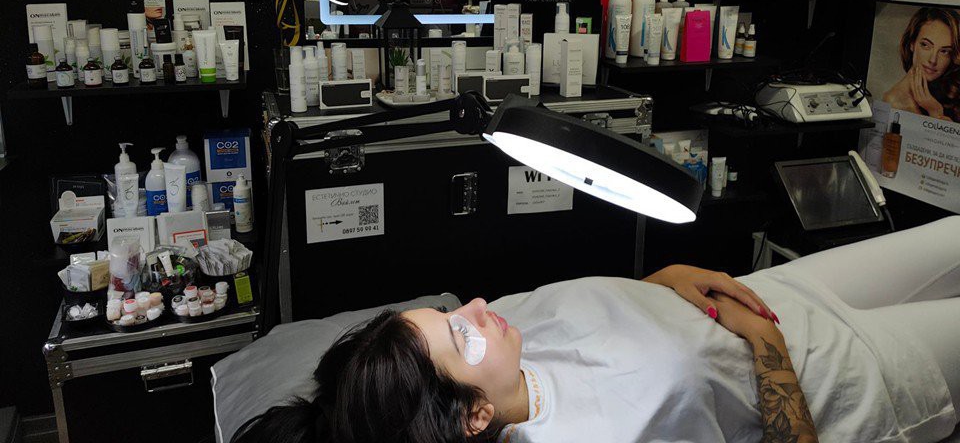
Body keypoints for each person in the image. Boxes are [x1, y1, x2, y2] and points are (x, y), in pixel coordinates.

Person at [232, 218, 960, 443]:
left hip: (769, 293)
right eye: (461, 335)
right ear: (474, 415)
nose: (477, 307)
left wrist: (665, 278)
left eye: (450, 313)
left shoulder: (506, 339)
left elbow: (607, 319)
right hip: (847, 370)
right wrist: (765, 345)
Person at [882, 7, 960, 122]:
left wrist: (934, 110)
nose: (933, 60)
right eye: (925, 45)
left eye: (944, 51)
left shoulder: (951, 92)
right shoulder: (892, 103)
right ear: (912, 43)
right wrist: (936, 113)